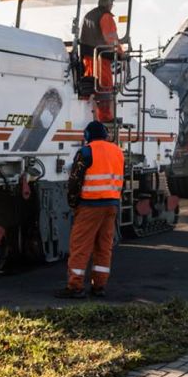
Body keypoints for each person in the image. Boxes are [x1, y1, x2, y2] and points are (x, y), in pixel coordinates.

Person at [55, 121, 124, 298]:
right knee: (104, 246)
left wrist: (72, 202)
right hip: (111, 205)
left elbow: (75, 181)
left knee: (80, 246)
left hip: (90, 206)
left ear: (87, 135)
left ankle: (75, 286)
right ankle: (99, 286)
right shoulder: (117, 151)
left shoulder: (86, 151)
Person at [80, 0, 124, 122]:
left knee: (90, 85)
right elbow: (111, 38)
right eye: (112, 4)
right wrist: (121, 53)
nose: (112, 7)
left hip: (88, 58)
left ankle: (87, 114)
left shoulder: (89, 15)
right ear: (108, 4)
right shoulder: (106, 16)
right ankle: (105, 117)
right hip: (101, 58)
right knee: (105, 86)